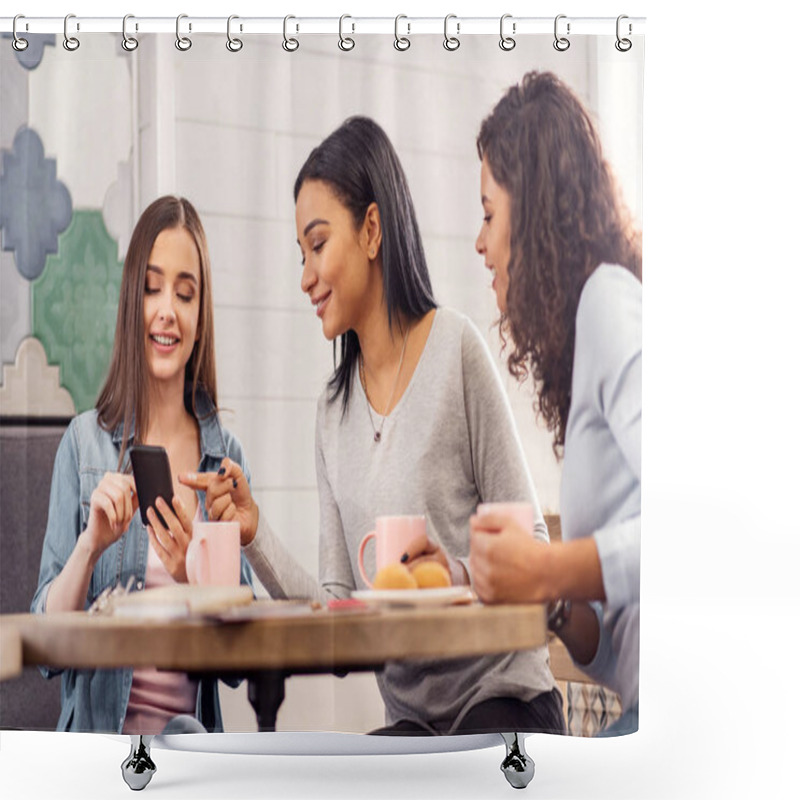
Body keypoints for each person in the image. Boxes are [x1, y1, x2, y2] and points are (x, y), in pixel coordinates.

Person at [182, 116, 564, 736]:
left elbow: (537, 548)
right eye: (301, 253)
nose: (305, 275)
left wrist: (458, 575)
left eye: (318, 243)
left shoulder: (456, 351)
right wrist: (253, 533)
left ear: (371, 230)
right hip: (415, 723)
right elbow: (338, 616)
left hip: (506, 701)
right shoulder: (332, 415)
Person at [32, 196, 255, 734]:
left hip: (191, 755)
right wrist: (90, 547)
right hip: (98, 759)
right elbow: (44, 646)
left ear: (199, 321)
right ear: (132, 302)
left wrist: (190, 575)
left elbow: (239, 665)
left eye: (185, 294)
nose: (167, 310)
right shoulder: (83, 445)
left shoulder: (224, 464)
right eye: (153, 288)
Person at [469, 71, 642, 736]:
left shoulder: (608, 301)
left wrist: (550, 564)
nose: (479, 243)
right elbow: (612, 651)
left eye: (488, 212)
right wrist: (552, 600)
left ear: (533, 208)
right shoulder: (585, 334)